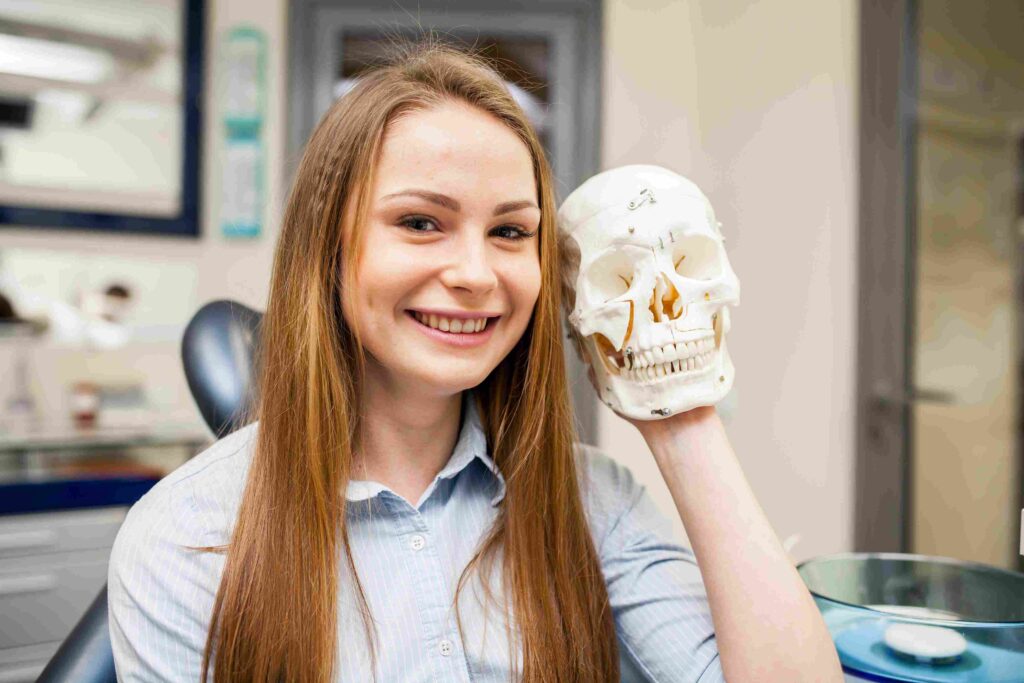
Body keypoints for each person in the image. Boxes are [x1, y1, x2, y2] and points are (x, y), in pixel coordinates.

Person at [107, 43, 842, 682]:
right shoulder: (187, 535)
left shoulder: (595, 504)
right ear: (326, 249)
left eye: (511, 231)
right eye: (421, 222)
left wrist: (680, 417)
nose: (476, 273)